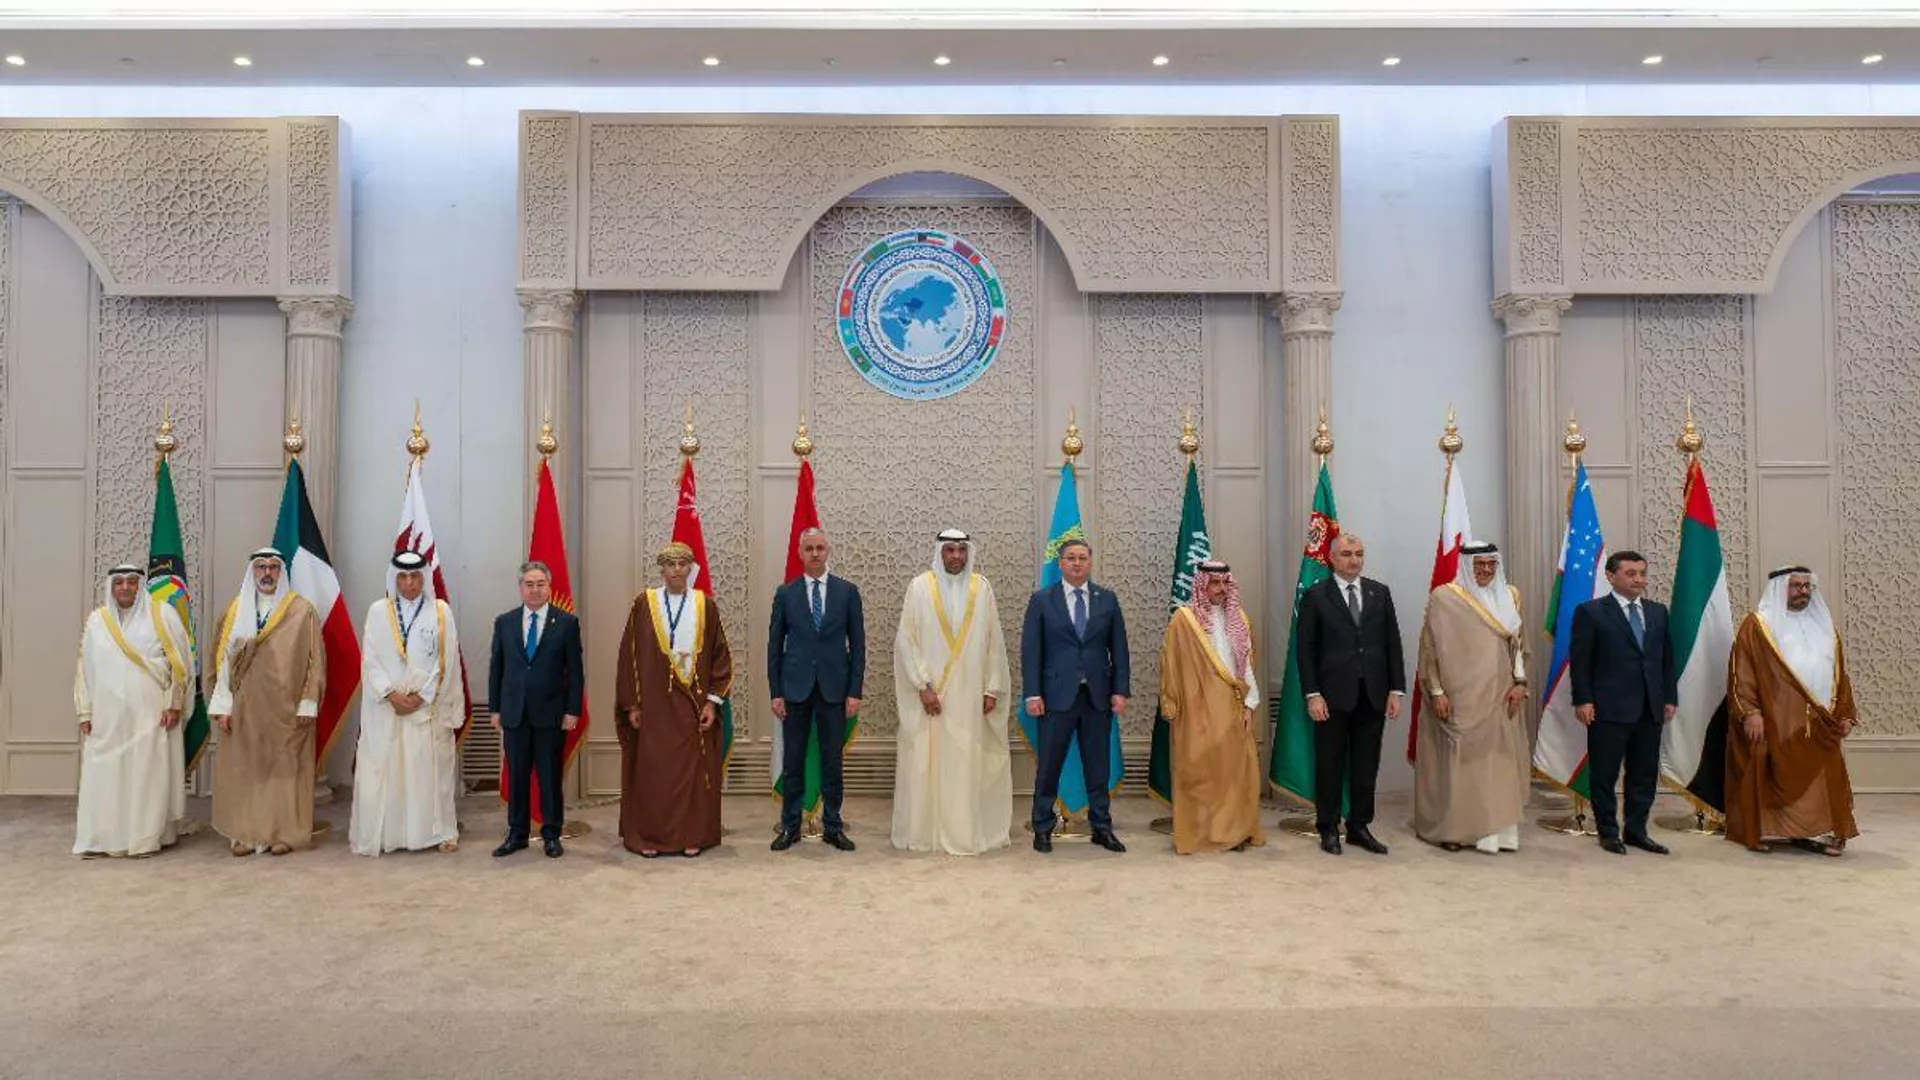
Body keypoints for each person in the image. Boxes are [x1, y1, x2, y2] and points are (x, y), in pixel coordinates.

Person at [891, 529, 1012, 855]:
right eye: (950, 550)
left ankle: (964, 830)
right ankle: (927, 832)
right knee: (927, 762)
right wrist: (922, 686)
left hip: (971, 698)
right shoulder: (919, 587)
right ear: (940, 552)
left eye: (961, 550)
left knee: (966, 763)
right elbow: (906, 641)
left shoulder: (981, 588)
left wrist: (992, 688)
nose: (956, 556)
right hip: (931, 699)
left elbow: (994, 642)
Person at [1724, 566, 1858, 855]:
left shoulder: (1825, 627)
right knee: (1767, 771)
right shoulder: (1758, 626)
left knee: (1822, 775)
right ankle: (1762, 831)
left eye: (1807, 586)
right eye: (1796, 586)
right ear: (1780, 588)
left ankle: (1820, 832)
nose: (1803, 592)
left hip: (1821, 720)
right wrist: (1751, 711)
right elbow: (1742, 672)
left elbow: (1840, 675)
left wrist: (1846, 713)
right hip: (1774, 718)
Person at [613, 542, 733, 858]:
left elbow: (720, 656)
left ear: (690, 568)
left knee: (692, 771)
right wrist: (632, 704)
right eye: (670, 564)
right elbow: (629, 657)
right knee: (654, 771)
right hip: (653, 706)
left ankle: (692, 835)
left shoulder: (705, 605)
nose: (677, 570)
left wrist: (712, 702)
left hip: (693, 704)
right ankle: (650, 837)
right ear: (662, 569)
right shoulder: (644, 603)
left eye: (682, 564)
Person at [1413, 542, 1530, 854]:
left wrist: (1520, 683)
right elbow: (1429, 649)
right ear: (1466, 565)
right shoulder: (1445, 597)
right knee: (1460, 766)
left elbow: (1518, 644)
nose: (1486, 570)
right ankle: (1454, 830)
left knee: (1497, 764)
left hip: (1501, 693)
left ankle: (1497, 832)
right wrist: (1436, 691)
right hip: (1459, 696)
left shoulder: (1510, 596)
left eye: (1491, 564)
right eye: (1479, 564)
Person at [209, 548, 324, 857]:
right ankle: (244, 834)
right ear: (253, 572)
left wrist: (308, 702)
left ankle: (283, 833)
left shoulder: (301, 611)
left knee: (284, 772)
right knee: (245, 771)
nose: (267, 573)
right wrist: (222, 706)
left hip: (287, 707)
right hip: (245, 707)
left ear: (281, 572)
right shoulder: (235, 611)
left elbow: (315, 660)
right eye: (261, 567)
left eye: (273, 567)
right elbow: (222, 662)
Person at [348, 551, 464, 857]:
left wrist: (421, 696)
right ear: (394, 578)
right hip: (387, 708)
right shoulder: (378, 611)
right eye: (403, 576)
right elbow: (370, 659)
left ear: (423, 577)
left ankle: (436, 833)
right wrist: (390, 694)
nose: (409, 583)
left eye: (415, 576)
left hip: (426, 706)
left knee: (428, 772)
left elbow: (447, 659)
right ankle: (390, 835)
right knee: (386, 770)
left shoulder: (440, 611)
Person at [1296, 532, 1405, 856]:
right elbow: (1306, 650)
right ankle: (1328, 827)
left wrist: (1396, 689)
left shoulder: (1379, 593)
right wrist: (1313, 694)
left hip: (1372, 695)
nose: (1353, 560)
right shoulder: (1316, 596)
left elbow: (1392, 644)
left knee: (1366, 765)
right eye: (1346, 554)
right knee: (1329, 764)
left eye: (1358, 553)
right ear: (1331, 558)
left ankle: (1359, 826)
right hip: (1331, 698)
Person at [72, 564, 191, 858]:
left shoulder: (162, 615)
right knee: (106, 774)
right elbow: (84, 669)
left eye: (131, 582)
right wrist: (84, 711)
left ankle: (145, 839)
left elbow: (180, 664)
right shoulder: (97, 621)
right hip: (106, 716)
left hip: (149, 713)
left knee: (146, 773)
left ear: (141, 585)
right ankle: (102, 840)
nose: (125, 587)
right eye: (119, 582)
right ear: (111, 587)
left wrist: (174, 704)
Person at [1021, 537, 1130, 854]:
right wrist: (1032, 694)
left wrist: (1120, 690)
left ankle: (1101, 828)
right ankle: (1043, 828)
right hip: (1055, 697)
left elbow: (1119, 649)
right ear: (1060, 563)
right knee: (1049, 766)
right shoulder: (1042, 600)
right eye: (1071, 557)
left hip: (1097, 697)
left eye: (1082, 557)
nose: (1077, 563)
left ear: (1090, 562)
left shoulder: (1106, 599)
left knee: (1098, 766)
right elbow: (1031, 651)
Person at [1570, 550, 1678, 856]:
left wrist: (1669, 697)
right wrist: (1583, 699)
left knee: (1643, 774)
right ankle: (1607, 832)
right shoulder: (1591, 612)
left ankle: (1636, 831)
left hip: (1650, 707)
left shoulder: (1657, 612)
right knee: (1604, 774)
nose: (1638, 580)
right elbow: (1581, 661)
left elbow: (1666, 659)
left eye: (1642, 573)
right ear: (1610, 575)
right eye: (1631, 574)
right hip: (1608, 708)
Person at [1156, 559, 1264, 855]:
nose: (1220, 589)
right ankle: (1202, 833)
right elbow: (1170, 665)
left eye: (1225, 583)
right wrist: (1172, 704)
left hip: (1232, 705)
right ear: (1202, 585)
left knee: (1235, 771)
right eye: (1214, 583)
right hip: (1196, 709)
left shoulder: (1239, 618)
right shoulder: (1184, 620)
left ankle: (1235, 831)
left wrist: (1250, 704)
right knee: (1200, 771)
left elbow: (1246, 666)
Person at [768, 527, 865, 852]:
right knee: (793, 761)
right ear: (800, 553)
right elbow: (774, 647)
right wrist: (776, 692)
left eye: (820, 548)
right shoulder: (786, 594)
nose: (815, 553)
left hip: (834, 690)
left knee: (832, 762)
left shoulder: (847, 592)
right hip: (795, 690)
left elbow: (858, 646)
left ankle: (833, 826)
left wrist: (855, 691)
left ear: (828, 551)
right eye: (809, 548)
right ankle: (790, 826)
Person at [488, 560, 583, 859]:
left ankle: (551, 834)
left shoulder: (566, 623)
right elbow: (496, 668)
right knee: (517, 776)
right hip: (514, 713)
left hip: (551, 714)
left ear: (549, 587)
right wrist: (495, 709)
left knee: (549, 777)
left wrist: (572, 710)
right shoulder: (505, 622)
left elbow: (575, 672)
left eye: (540, 584)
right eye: (529, 584)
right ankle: (517, 834)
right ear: (521, 588)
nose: (535, 589)